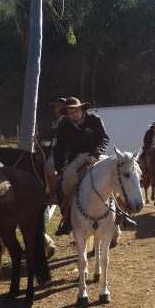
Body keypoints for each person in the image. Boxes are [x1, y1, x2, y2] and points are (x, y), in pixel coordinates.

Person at [52, 97, 129, 236]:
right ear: (67, 113)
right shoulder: (64, 127)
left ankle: (121, 215)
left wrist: (94, 154)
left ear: (81, 109)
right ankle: (66, 221)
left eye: (76, 111)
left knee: (114, 178)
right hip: (76, 159)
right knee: (59, 185)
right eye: (70, 112)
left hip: (97, 156)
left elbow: (103, 138)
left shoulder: (94, 120)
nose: (74, 114)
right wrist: (60, 167)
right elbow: (58, 149)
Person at [36, 97, 67, 204]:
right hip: (56, 149)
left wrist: (40, 135)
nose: (56, 109)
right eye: (55, 107)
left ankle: (55, 194)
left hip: (63, 151)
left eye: (59, 107)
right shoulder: (60, 120)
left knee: (49, 165)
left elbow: (58, 132)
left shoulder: (66, 119)